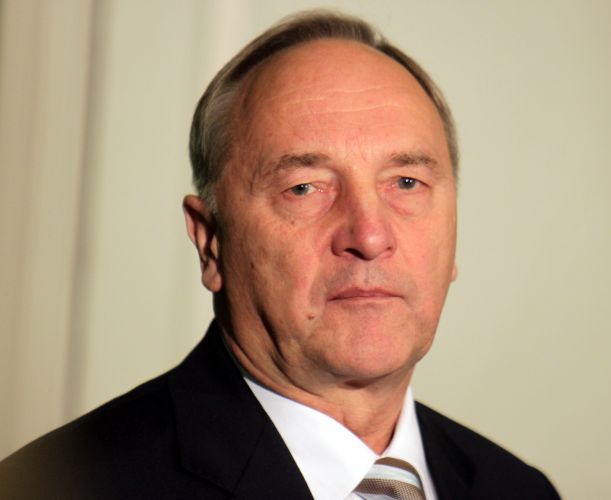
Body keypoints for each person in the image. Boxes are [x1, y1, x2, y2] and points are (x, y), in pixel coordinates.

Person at [0, 10, 559, 499]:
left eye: (406, 183)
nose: (369, 236)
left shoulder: (516, 489)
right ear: (210, 242)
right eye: (304, 188)